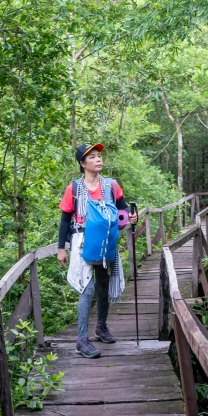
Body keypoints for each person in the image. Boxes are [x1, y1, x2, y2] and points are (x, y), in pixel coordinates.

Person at [57, 143, 137, 358]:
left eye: (99, 156)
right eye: (92, 157)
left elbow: (122, 210)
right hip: (82, 240)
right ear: (82, 164)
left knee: (103, 284)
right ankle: (81, 341)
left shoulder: (111, 185)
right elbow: (65, 220)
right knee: (87, 288)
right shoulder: (73, 189)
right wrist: (61, 248)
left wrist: (130, 216)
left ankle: (101, 327)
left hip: (107, 240)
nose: (98, 159)